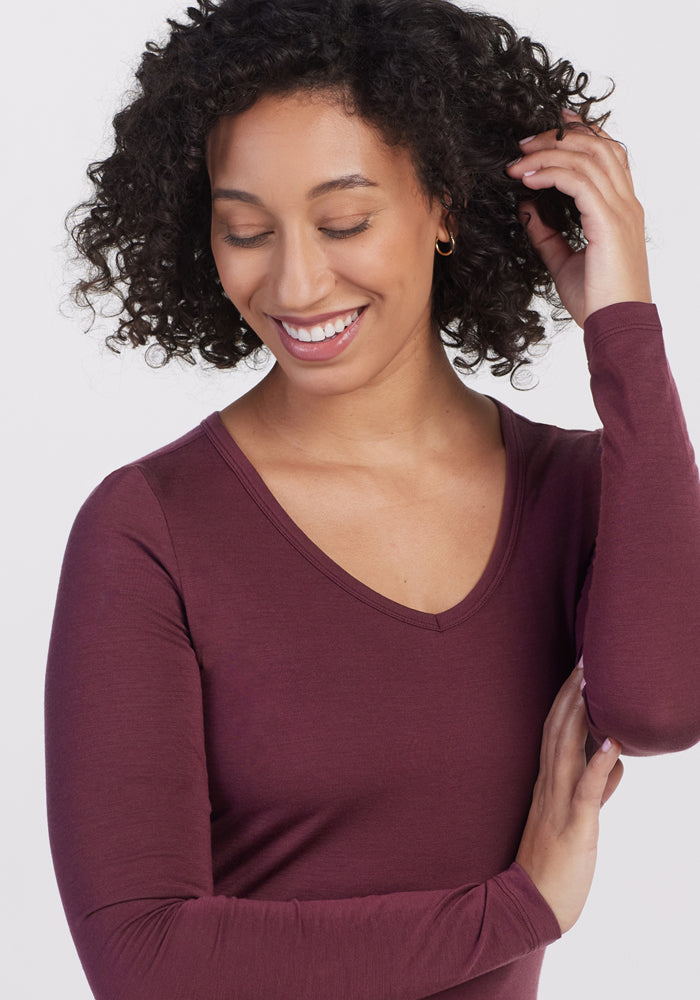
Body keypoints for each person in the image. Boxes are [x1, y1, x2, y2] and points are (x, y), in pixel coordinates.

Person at [44, 1, 700, 998]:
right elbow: (143, 960)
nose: (297, 282)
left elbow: (660, 706)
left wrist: (623, 322)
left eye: (344, 221)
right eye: (246, 231)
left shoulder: (571, 492)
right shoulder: (149, 531)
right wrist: (514, 910)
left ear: (443, 204)